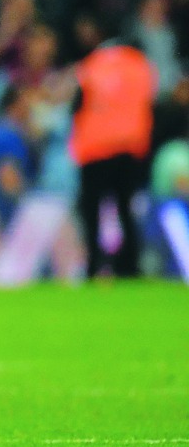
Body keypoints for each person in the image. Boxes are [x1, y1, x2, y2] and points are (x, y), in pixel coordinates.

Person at [69, 35, 157, 278]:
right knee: (125, 209)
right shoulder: (141, 65)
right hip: (129, 148)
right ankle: (129, 267)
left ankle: (92, 266)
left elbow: (77, 105)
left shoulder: (91, 64)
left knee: (91, 211)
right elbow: (149, 103)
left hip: (94, 149)